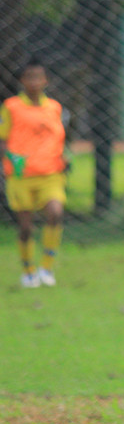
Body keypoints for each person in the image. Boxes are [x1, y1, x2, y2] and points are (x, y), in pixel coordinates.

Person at [0, 59, 69, 288]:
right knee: (26, 226)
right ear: (22, 81)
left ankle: (46, 266)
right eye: (30, 77)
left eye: (39, 77)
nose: (35, 81)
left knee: (56, 212)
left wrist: (63, 157)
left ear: (46, 80)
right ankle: (28, 269)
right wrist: (10, 160)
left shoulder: (55, 108)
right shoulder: (11, 106)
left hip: (50, 173)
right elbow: (3, 138)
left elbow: (56, 138)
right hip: (21, 175)